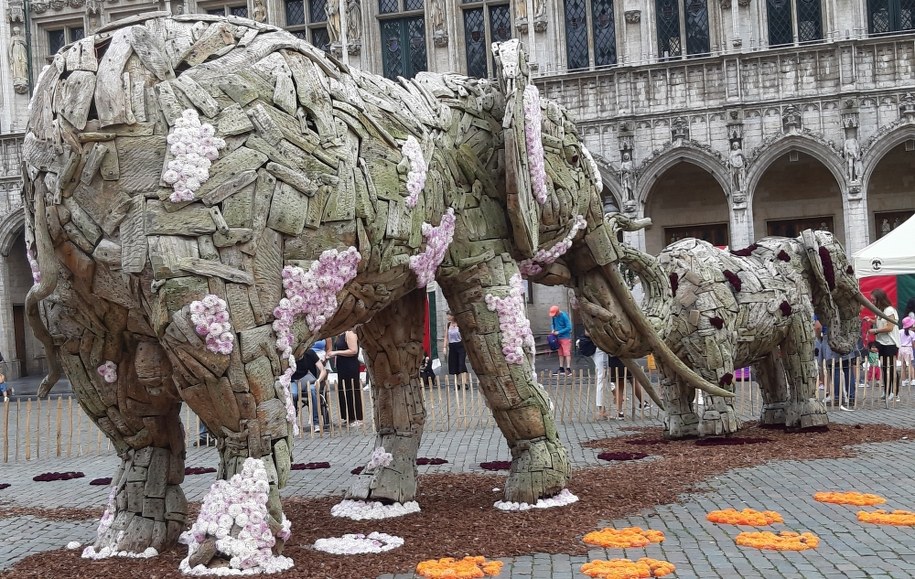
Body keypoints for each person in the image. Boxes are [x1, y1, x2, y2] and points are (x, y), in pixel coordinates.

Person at [867, 288, 900, 401]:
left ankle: (894, 392)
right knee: (884, 368)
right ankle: (886, 390)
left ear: (880, 299)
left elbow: (889, 327)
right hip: (882, 342)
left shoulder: (889, 310)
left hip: (890, 343)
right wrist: (871, 321)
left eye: (873, 300)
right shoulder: (879, 311)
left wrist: (875, 331)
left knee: (891, 368)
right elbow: (880, 323)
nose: (872, 302)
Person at [328, 330, 363, 426]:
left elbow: (354, 350)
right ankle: (349, 416)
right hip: (342, 366)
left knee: (352, 390)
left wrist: (336, 353)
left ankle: (357, 417)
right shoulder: (340, 334)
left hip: (350, 366)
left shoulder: (350, 333)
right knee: (344, 390)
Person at [291, 347, 328, 432]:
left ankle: (316, 422)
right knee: (293, 394)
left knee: (313, 390)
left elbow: (323, 370)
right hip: (293, 381)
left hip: (309, 381)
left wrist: (318, 380)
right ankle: (293, 422)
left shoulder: (310, 353)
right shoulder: (290, 354)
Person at [578, 330, 610, 419]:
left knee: (605, 377)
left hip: (600, 347)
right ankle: (601, 408)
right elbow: (587, 332)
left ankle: (604, 406)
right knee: (602, 377)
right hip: (598, 347)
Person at [442, 312, 468, 386]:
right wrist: (444, 347)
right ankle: (457, 383)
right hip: (452, 346)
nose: (448, 317)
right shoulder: (448, 325)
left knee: (461, 363)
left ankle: (465, 381)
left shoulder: (459, 324)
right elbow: (446, 337)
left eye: (449, 316)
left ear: (453, 316)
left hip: (460, 345)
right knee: (454, 364)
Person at [549, 305, 573, 376]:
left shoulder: (564, 316)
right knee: (560, 353)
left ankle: (568, 369)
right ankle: (561, 368)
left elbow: (569, 327)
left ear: (558, 312)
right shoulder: (554, 316)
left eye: (555, 314)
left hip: (565, 337)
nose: (554, 316)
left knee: (567, 353)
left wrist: (559, 332)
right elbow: (552, 324)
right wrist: (553, 329)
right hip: (557, 337)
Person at [900, 316, 914, 387]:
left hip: (901, 348)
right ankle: (913, 379)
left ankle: (903, 380)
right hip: (908, 348)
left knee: (903, 365)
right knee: (910, 365)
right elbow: (913, 343)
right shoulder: (912, 333)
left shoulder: (900, 332)